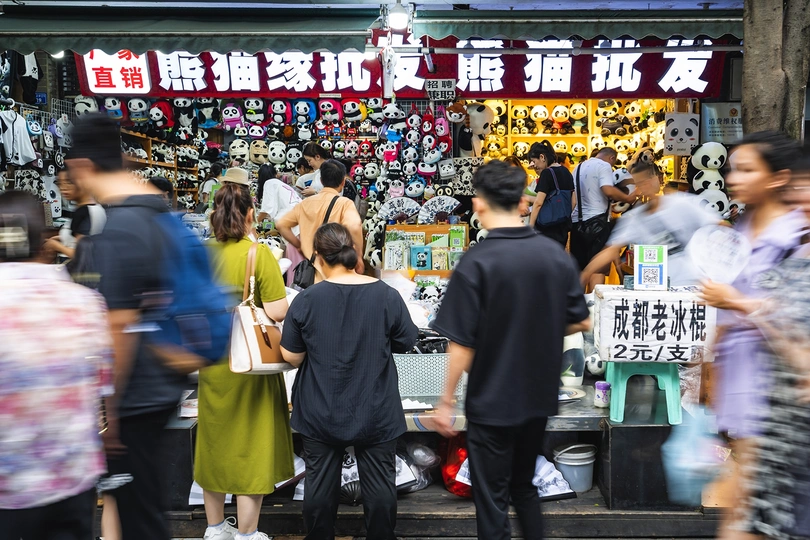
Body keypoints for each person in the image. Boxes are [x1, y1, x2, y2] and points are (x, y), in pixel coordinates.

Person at [431, 161, 591, 540]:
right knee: (524, 487)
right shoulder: (554, 255)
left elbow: (461, 344)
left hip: (491, 400)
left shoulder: (476, 261)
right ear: (523, 202)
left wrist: (446, 401)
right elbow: (581, 321)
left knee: (492, 499)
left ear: (479, 204)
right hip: (537, 398)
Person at [66, 113, 188, 540]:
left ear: (82, 165)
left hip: (134, 396)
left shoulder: (118, 228)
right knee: (144, 511)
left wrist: (109, 413)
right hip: (162, 384)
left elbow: (119, 326)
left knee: (140, 517)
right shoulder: (156, 213)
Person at [699, 131, 807, 540]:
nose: (732, 178)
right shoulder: (742, 229)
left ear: (778, 178)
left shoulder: (797, 235)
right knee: (746, 509)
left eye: (746, 170)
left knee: (751, 515)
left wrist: (736, 301)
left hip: (778, 396)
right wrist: (711, 371)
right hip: (741, 388)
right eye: (732, 169)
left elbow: (795, 317)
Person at [280, 222, 418, 540]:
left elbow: (292, 356)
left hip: (320, 406)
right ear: (354, 253)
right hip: (375, 405)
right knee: (380, 483)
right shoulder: (387, 295)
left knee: (319, 482)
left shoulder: (306, 300)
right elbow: (406, 341)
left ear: (318, 257)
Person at [0, 191, 111, 539]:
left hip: (8, 485)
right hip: (71, 477)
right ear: (45, 240)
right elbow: (103, 388)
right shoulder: (85, 302)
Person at [195, 182, 294, 540]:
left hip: (212, 358)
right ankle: (248, 533)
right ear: (251, 214)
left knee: (214, 441)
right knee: (251, 444)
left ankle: (215, 528)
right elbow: (277, 311)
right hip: (250, 361)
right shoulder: (258, 253)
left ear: (214, 214)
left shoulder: (200, 253)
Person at [580, 161, 719, 287]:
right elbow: (611, 249)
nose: (645, 187)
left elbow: (716, 226)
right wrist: (585, 274)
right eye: (639, 183)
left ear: (658, 179)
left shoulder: (682, 203)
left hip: (691, 283)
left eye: (647, 181)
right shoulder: (634, 218)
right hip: (658, 287)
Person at [276, 159, 364, 281]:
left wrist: (300, 246)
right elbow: (354, 226)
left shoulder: (305, 203)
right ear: (343, 182)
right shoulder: (345, 204)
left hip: (311, 269)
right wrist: (358, 256)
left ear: (322, 181)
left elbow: (281, 224)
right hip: (337, 269)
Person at [569, 147, 637, 274]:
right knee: (597, 270)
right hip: (597, 223)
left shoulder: (578, 167)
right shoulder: (604, 166)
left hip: (577, 222)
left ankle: (579, 288)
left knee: (579, 269)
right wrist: (627, 198)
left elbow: (573, 199)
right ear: (612, 158)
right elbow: (608, 190)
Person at [44, 169, 106, 260]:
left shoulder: (84, 212)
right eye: (60, 183)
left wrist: (55, 246)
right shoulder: (97, 208)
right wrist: (62, 237)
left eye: (69, 182)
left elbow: (81, 254)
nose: (63, 188)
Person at [527, 140, 575, 247]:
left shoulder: (547, 173)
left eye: (534, 161)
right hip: (562, 227)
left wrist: (530, 226)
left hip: (546, 227)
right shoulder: (566, 172)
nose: (534, 166)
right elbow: (574, 200)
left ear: (542, 157)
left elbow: (538, 203)